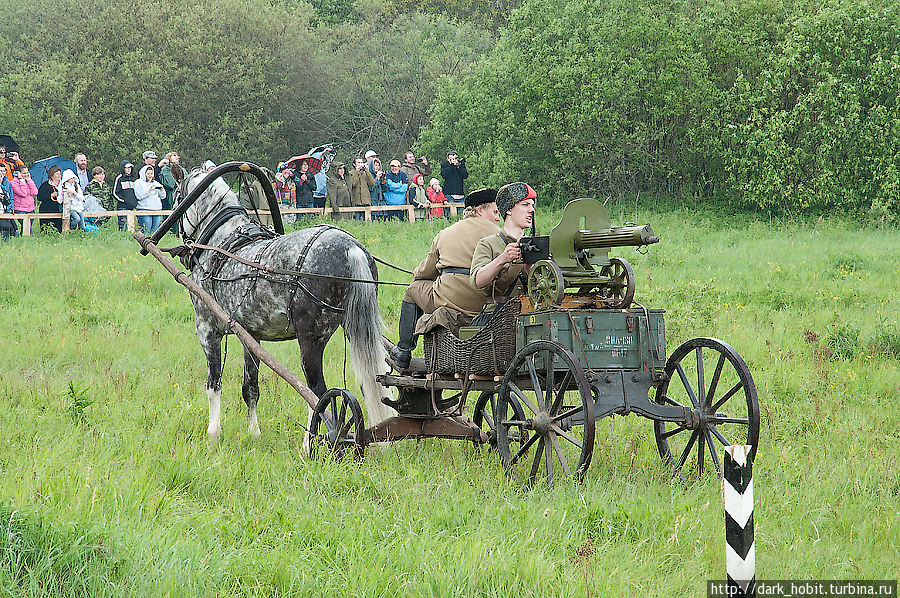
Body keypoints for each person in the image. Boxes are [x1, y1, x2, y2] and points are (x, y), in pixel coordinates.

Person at [387, 188, 501, 369]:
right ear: (480, 210)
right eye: (495, 212)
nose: (498, 218)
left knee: (412, 290)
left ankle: (403, 350)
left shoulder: (446, 233)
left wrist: (416, 274)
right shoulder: (500, 235)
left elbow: (425, 272)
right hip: (485, 305)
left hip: (451, 301)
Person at [470, 182, 537, 304]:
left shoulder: (536, 245)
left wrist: (529, 269)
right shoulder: (488, 244)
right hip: (500, 316)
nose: (531, 210)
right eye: (525, 205)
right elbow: (477, 281)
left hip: (530, 313)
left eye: (532, 206)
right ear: (509, 209)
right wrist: (503, 259)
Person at [134, 164, 165, 234]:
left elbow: (163, 197)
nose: (150, 175)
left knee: (155, 232)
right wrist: (149, 190)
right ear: (143, 173)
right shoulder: (138, 182)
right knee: (146, 231)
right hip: (144, 209)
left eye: (151, 173)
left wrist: (162, 189)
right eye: (148, 173)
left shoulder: (156, 183)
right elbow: (139, 196)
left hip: (157, 210)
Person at [37, 165, 63, 232]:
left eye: (60, 174)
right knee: (47, 230)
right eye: (57, 174)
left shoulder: (63, 185)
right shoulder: (45, 185)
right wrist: (50, 195)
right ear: (52, 175)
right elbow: (39, 197)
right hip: (47, 210)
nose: (59, 175)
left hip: (59, 210)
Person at [113, 161, 138, 230]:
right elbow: (115, 193)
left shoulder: (133, 179)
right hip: (122, 207)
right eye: (126, 168)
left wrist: (134, 202)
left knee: (131, 227)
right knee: (123, 227)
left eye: (130, 167)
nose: (128, 169)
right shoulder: (119, 178)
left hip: (131, 207)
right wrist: (124, 201)